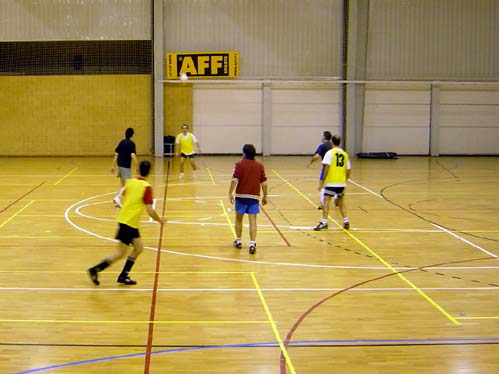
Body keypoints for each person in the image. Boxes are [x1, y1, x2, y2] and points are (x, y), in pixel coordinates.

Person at [88, 160, 166, 286]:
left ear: (138, 170)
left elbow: (120, 195)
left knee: (139, 248)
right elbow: (150, 210)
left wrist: (123, 204)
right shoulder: (146, 187)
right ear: (149, 172)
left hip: (127, 220)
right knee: (120, 253)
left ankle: (123, 275)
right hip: (128, 222)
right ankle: (96, 269)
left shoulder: (130, 182)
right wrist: (160, 220)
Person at [228, 144, 268, 254]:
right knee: (253, 222)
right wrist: (265, 195)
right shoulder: (260, 166)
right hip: (254, 197)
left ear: (244, 153)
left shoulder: (239, 164)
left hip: (241, 196)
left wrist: (230, 192)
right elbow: (264, 183)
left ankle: (239, 241)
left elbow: (235, 179)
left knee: (238, 219)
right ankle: (252, 243)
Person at [314, 135, 351, 231]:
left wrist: (322, 181)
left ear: (332, 142)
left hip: (332, 182)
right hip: (341, 183)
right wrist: (345, 180)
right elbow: (348, 170)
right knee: (341, 203)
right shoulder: (345, 154)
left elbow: (326, 168)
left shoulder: (330, 153)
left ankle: (324, 222)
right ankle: (346, 220)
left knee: (326, 201)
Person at [111, 127, 138, 207]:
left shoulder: (121, 142)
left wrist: (113, 166)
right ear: (132, 135)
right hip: (126, 166)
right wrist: (137, 166)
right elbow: (133, 155)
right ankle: (118, 197)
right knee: (128, 184)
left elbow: (116, 154)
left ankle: (118, 201)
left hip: (119, 165)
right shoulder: (131, 144)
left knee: (122, 184)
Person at [307, 131, 333, 210]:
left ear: (324, 137)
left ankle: (323, 204)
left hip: (326, 168)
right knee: (334, 185)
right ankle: (337, 199)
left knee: (321, 185)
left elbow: (317, 156)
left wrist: (310, 163)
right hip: (335, 169)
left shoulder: (322, 146)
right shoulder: (333, 146)